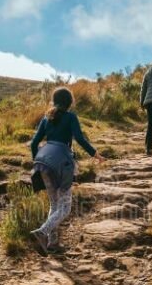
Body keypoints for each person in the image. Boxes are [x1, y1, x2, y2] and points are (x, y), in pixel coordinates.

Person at [30, 87, 105, 254]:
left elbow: (34, 143)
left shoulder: (46, 117)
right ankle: (42, 232)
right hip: (62, 164)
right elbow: (79, 138)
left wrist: (36, 162)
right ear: (70, 102)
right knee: (65, 207)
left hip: (43, 163)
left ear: (54, 100)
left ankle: (53, 243)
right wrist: (95, 154)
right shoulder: (71, 117)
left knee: (54, 204)